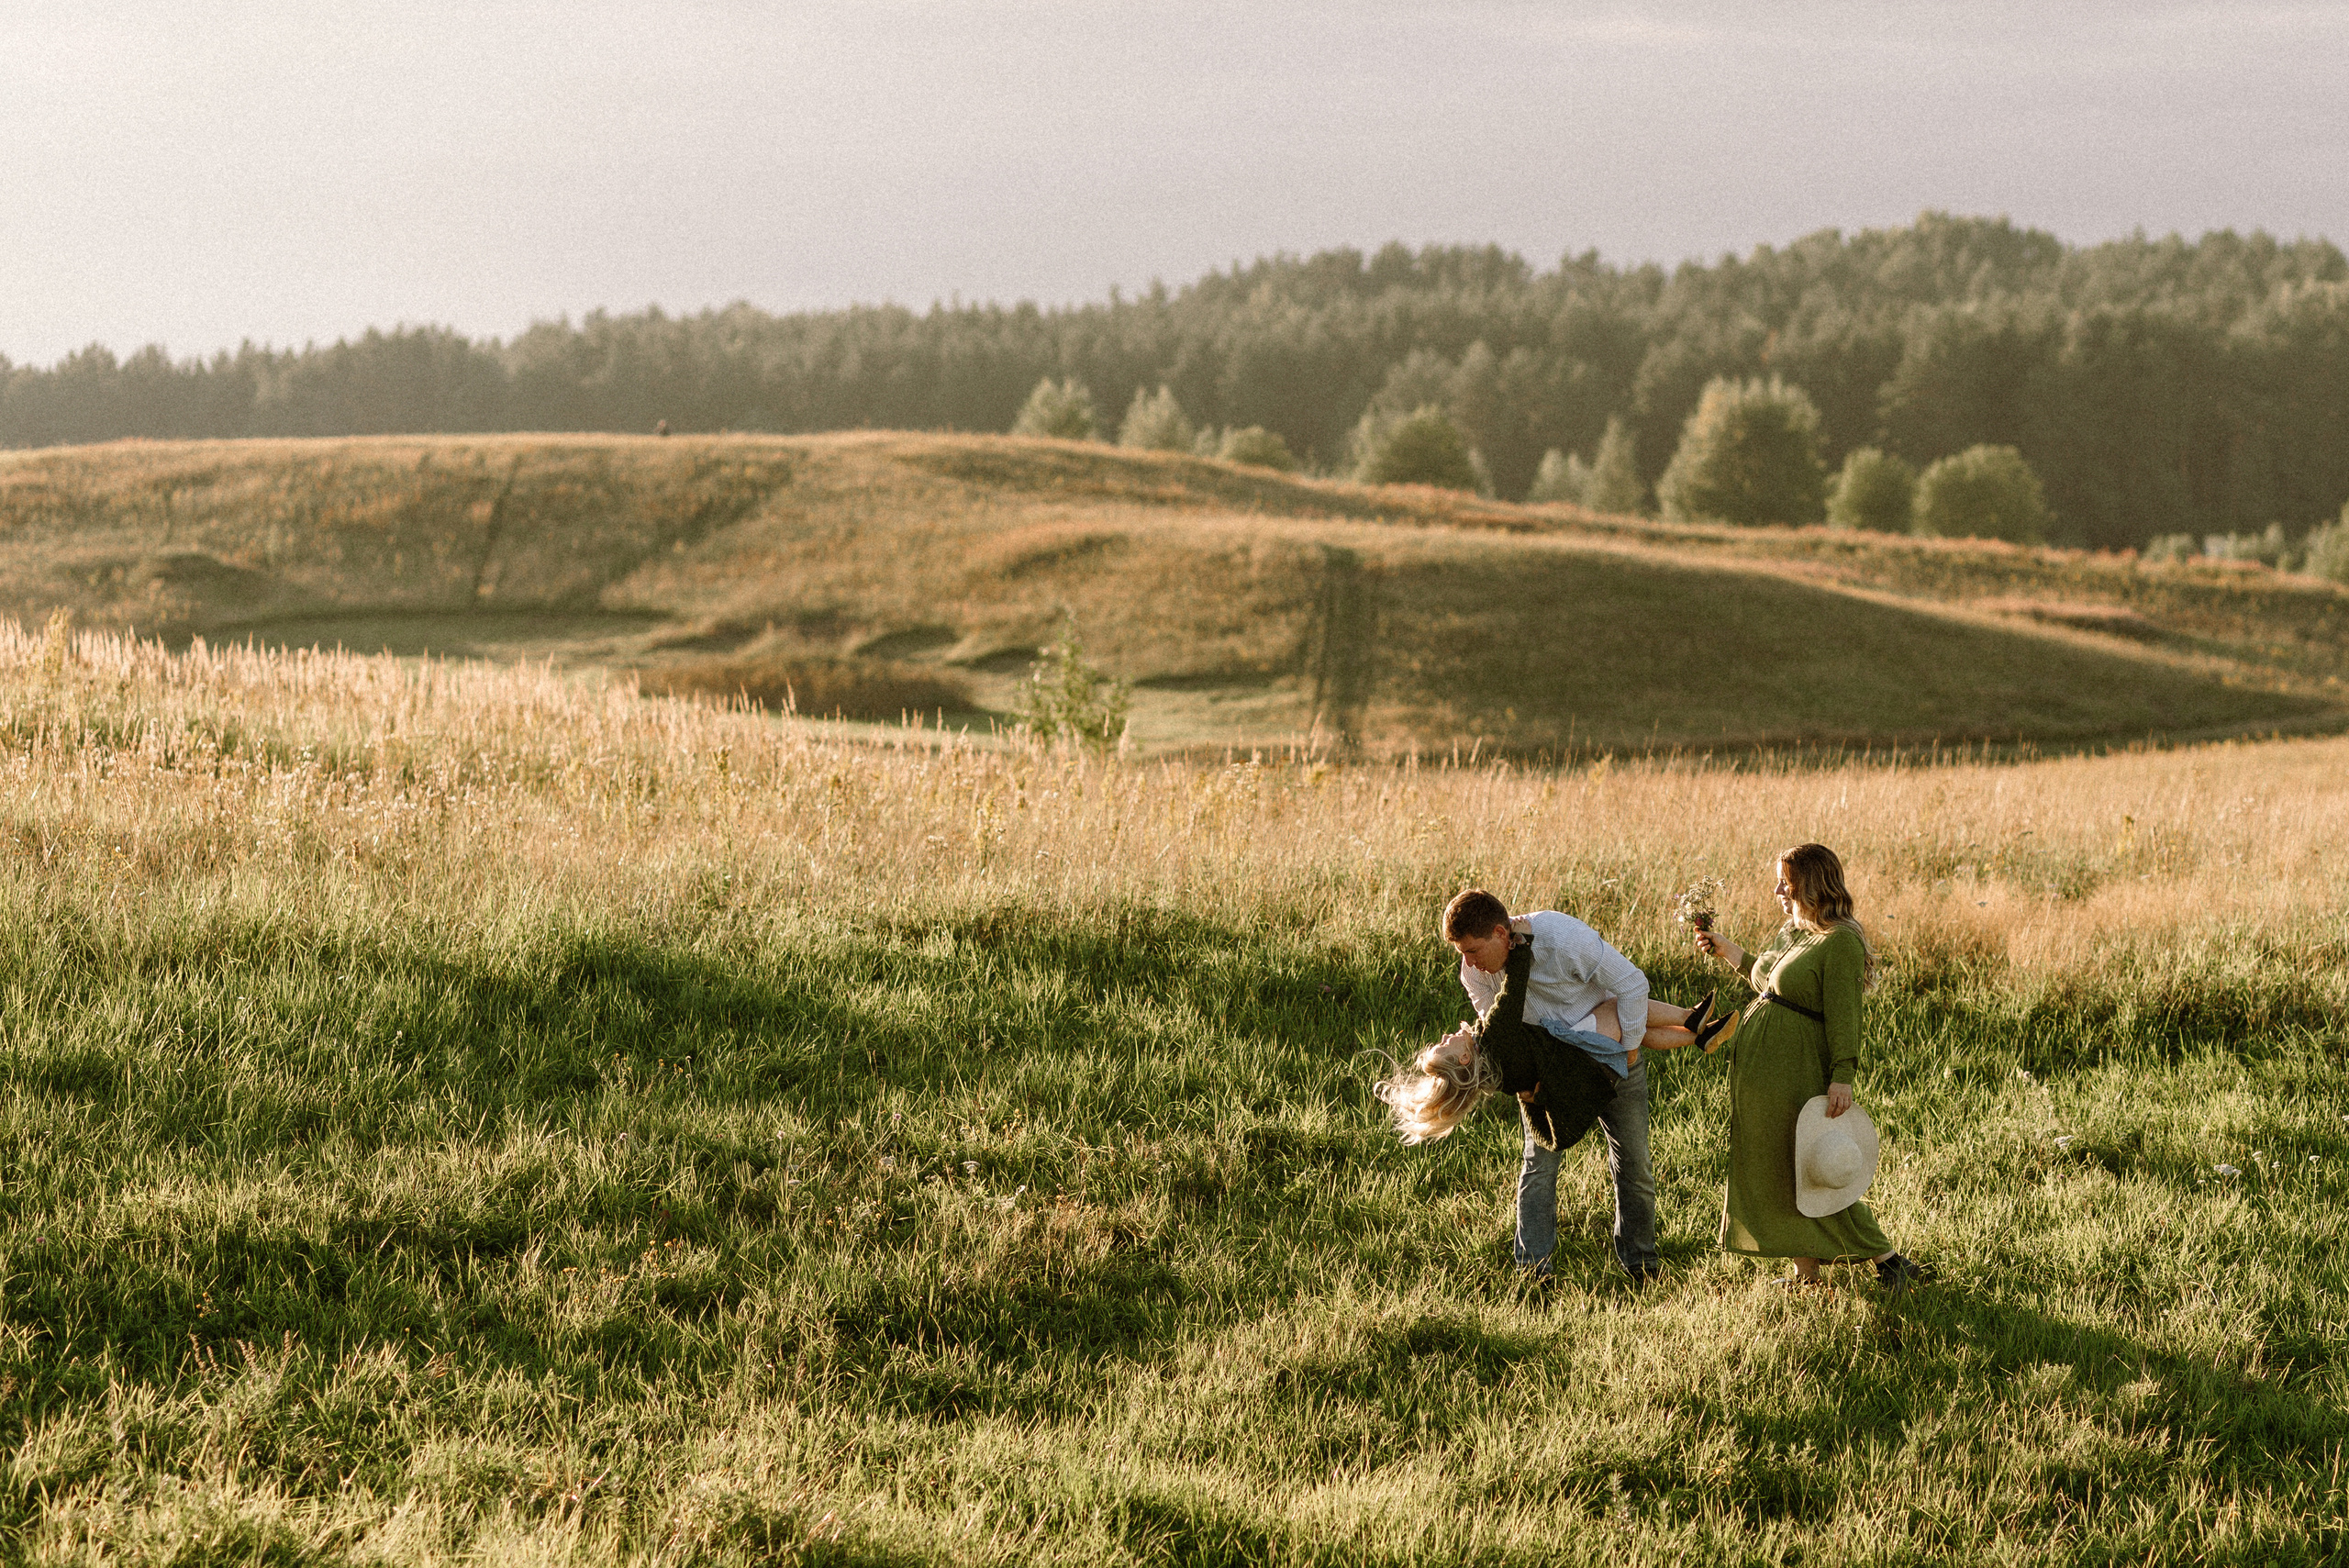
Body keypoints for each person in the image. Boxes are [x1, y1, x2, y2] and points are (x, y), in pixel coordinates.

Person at [1382, 889, 1726, 1285]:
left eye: (1473, 950)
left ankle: (1641, 1266)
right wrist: (1527, 1085)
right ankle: (1533, 1272)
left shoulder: (1559, 936)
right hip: (1548, 1082)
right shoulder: (1475, 973)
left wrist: (1630, 1050)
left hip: (1612, 1053)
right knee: (1538, 1169)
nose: (1469, 963)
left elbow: (1632, 984)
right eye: (1462, 953)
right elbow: (1500, 1035)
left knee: (1634, 1166)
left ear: (1500, 933)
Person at [1693, 844, 1931, 1291]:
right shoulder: (1795, 931)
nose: (1777, 891)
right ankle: (1807, 1275)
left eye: (1786, 883)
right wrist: (1726, 950)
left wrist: (1843, 1075)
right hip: (1766, 1073)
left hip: (1799, 1068)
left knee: (1807, 1163)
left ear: (1811, 885)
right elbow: (1767, 981)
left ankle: (1890, 1261)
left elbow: (1845, 1015)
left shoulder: (1840, 941)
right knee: (1779, 1166)